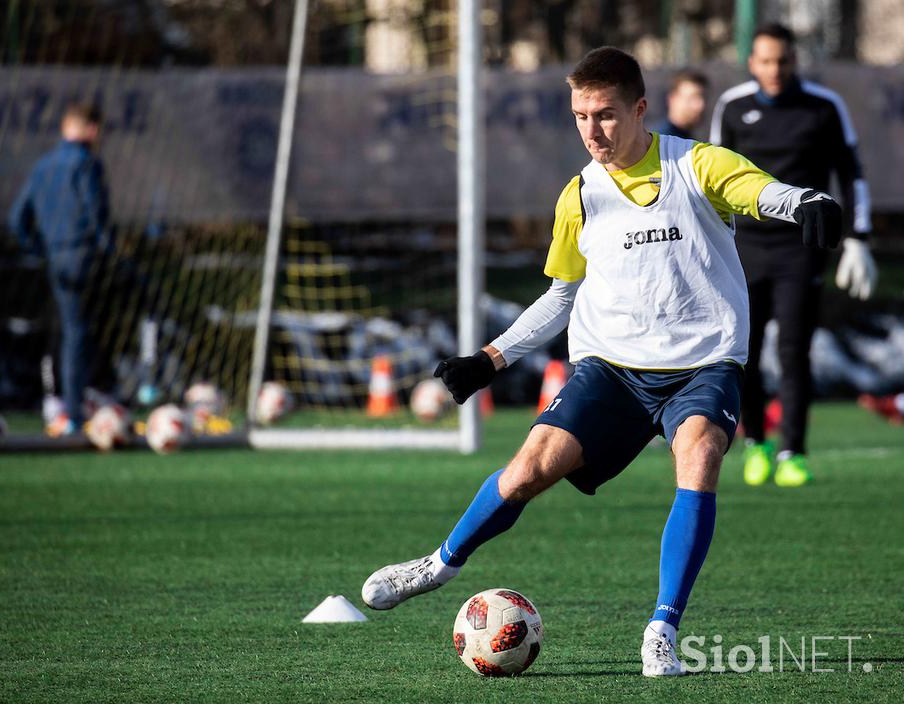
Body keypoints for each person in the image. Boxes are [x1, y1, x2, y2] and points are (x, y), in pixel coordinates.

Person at [361, 47, 843, 677]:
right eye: (580, 116)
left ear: (640, 109)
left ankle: (663, 629)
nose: (592, 131)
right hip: (612, 366)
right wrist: (491, 358)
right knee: (528, 471)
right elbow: (562, 295)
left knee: (698, 456)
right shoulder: (579, 197)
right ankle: (439, 563)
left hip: (703, 364)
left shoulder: (696, 164)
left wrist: (807, 202)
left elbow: (761, 192)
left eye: (607, 115)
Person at [710, 24, 877, 487]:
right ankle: (756, 442)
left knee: (793, 351)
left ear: (794, 60)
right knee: (743, 351)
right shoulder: (734, 107)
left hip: (801, 248)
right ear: (752, 63)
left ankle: (792, 451)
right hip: (745, 248)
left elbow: (851, 173)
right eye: (765, 61)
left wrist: (858, 238)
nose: (774, 70)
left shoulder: (824, 107)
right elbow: (711, 180)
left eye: (782, 61)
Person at [9, 102, 112, 436]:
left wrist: (41, 249)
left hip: (56, 258)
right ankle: (75, 410)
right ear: (90, 129)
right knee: (78, 333)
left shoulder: (43, 167)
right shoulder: (86, 164)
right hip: (82, 255)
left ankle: (71, 403)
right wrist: (109, 252)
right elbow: (96, 215)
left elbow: (17, 220)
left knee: (69, 329)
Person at [653, 69, 709, 139]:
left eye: (704, 97)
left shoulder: (687, 139)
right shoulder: (661, 141)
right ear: (672, 99)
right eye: (693, 97)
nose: (701, 105)